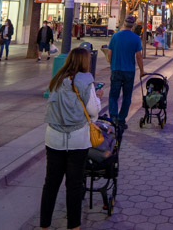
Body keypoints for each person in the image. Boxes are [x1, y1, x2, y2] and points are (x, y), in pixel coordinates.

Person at [40, 47, 102, 230]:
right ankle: (73, 226)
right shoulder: (86, 81)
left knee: (51, 183)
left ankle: (44, 225)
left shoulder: (57, 79)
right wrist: (98, 98)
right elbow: (92, 110)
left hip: (53, 138)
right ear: (84, 61)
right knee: (74, 185)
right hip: (77, 138)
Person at [105, 14, 145, 128]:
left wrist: (111, 63)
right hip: (129, 71)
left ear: (124, 23)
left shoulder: (115, 36)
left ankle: (113, 117)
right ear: (133, 25)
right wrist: (142, 70)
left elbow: (109, 54)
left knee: (113, 95)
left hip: (116, 69)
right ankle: (121, 120)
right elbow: (138, 56)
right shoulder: (136, 38)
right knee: (127, 97)